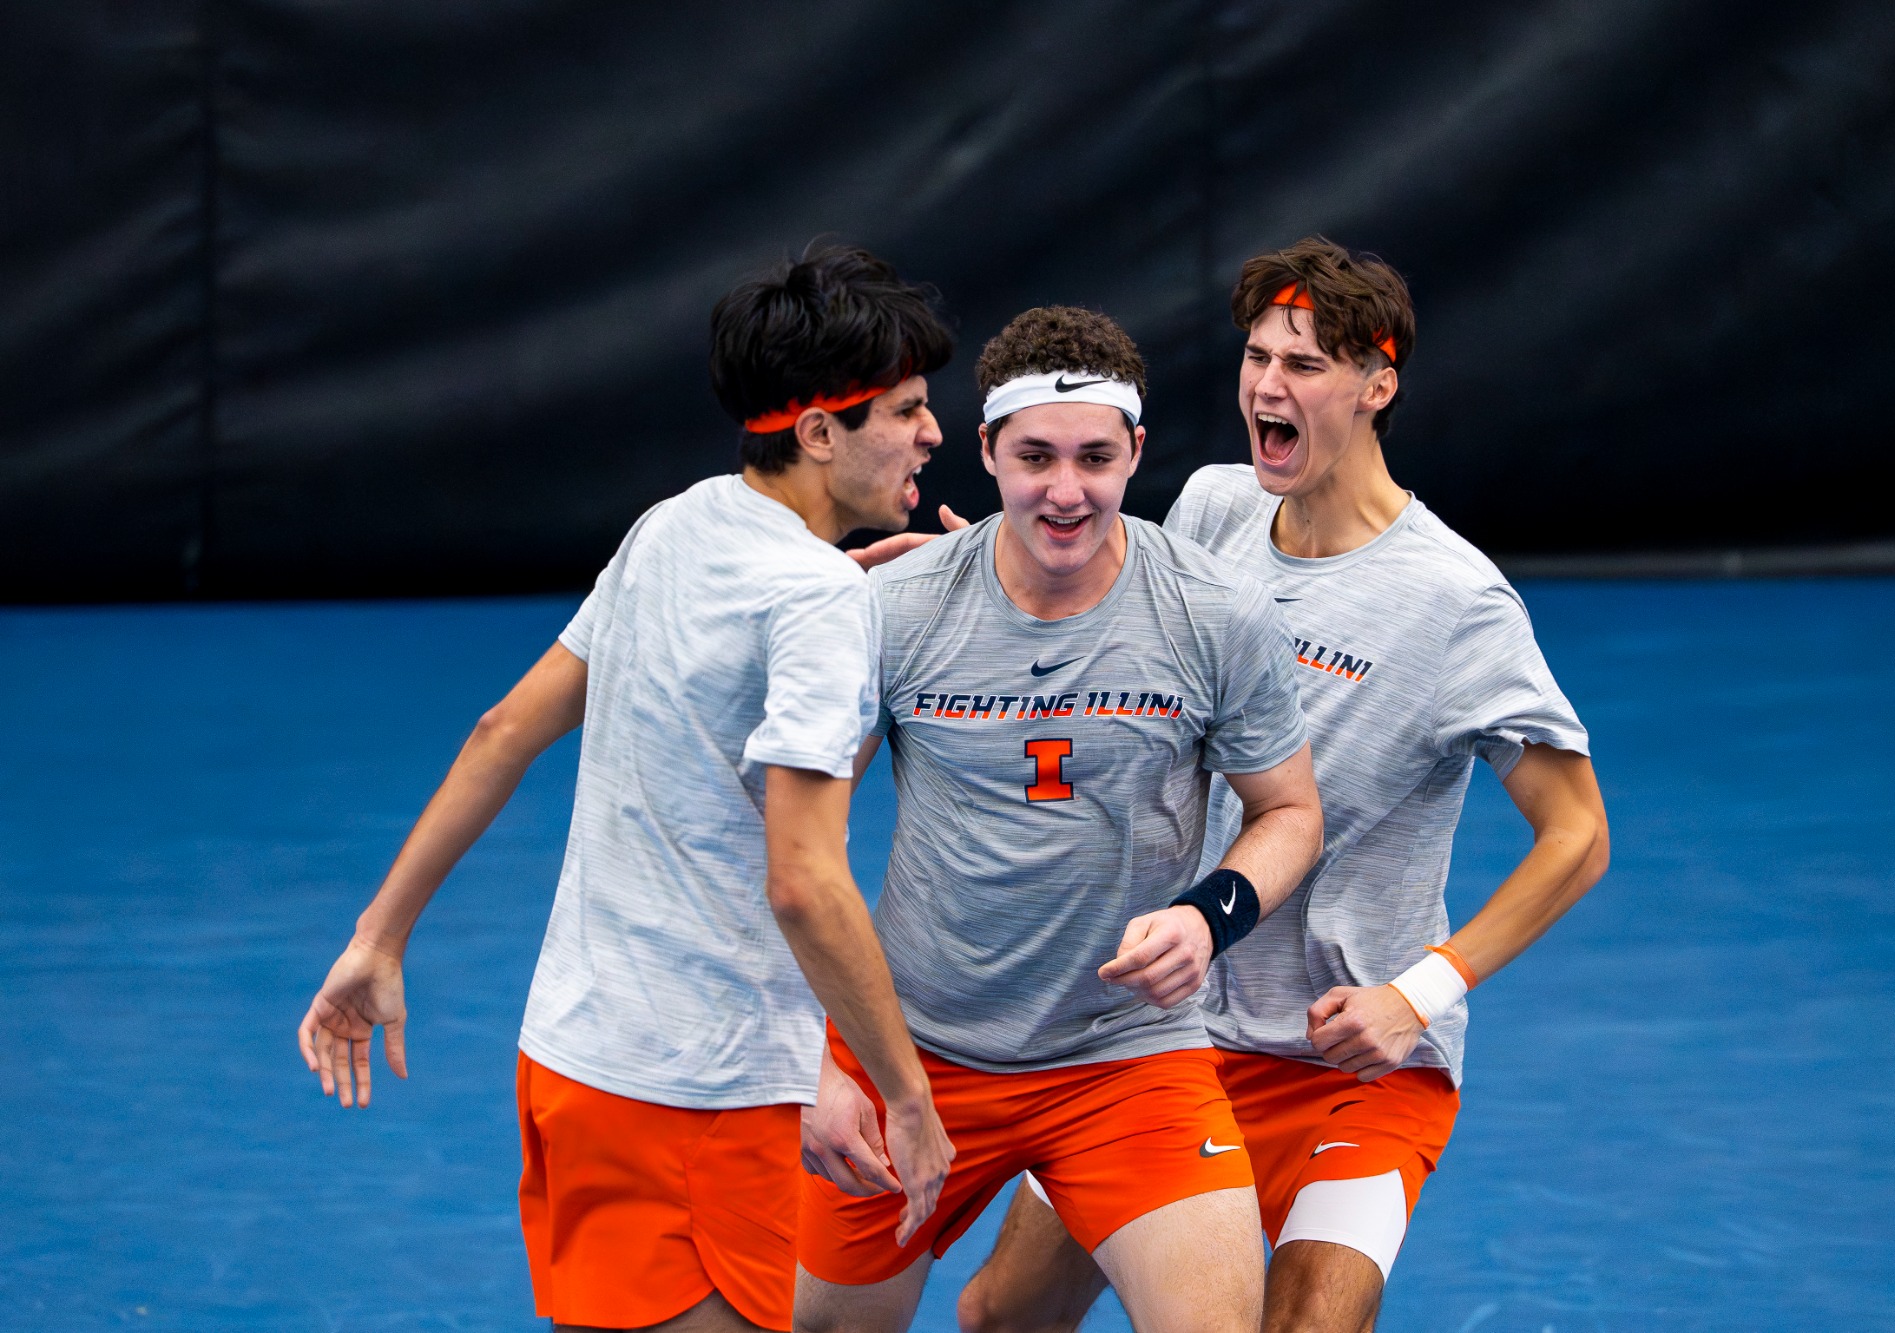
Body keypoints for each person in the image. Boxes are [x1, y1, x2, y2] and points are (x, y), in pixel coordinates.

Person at [296, 243, 960, 1333]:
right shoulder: (811, 605)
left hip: (571, 1062)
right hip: (696, 1100)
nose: (932, 433)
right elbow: (804, 884)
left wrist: (379, 935)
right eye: (905, 409)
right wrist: (904, 1088)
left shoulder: (676, 525)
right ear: (818, 432)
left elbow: (501, 729)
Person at [957, 239, 1612, 1333]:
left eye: (1304, 364)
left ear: (1375, 385)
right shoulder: (1213, 509)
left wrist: (1420, 994)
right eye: (1256, 355)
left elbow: (1576, 836)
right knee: (999, 1314)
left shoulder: (1456, 603)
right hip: (1169, 1034)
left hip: (1351, 1060)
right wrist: (972, 585)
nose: (1267, 383)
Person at [792, 307, 1325, 1333]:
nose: (1065, 490)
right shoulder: (895, 607)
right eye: (1034, 455)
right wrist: (814, 1065)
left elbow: (1288, 812)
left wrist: (1206, 916)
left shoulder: (1215, 613)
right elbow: (792, 849)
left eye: (1093, 456)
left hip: (1128, 1060)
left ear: (1135, 450)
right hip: (909, 1055)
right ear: (985, 450)